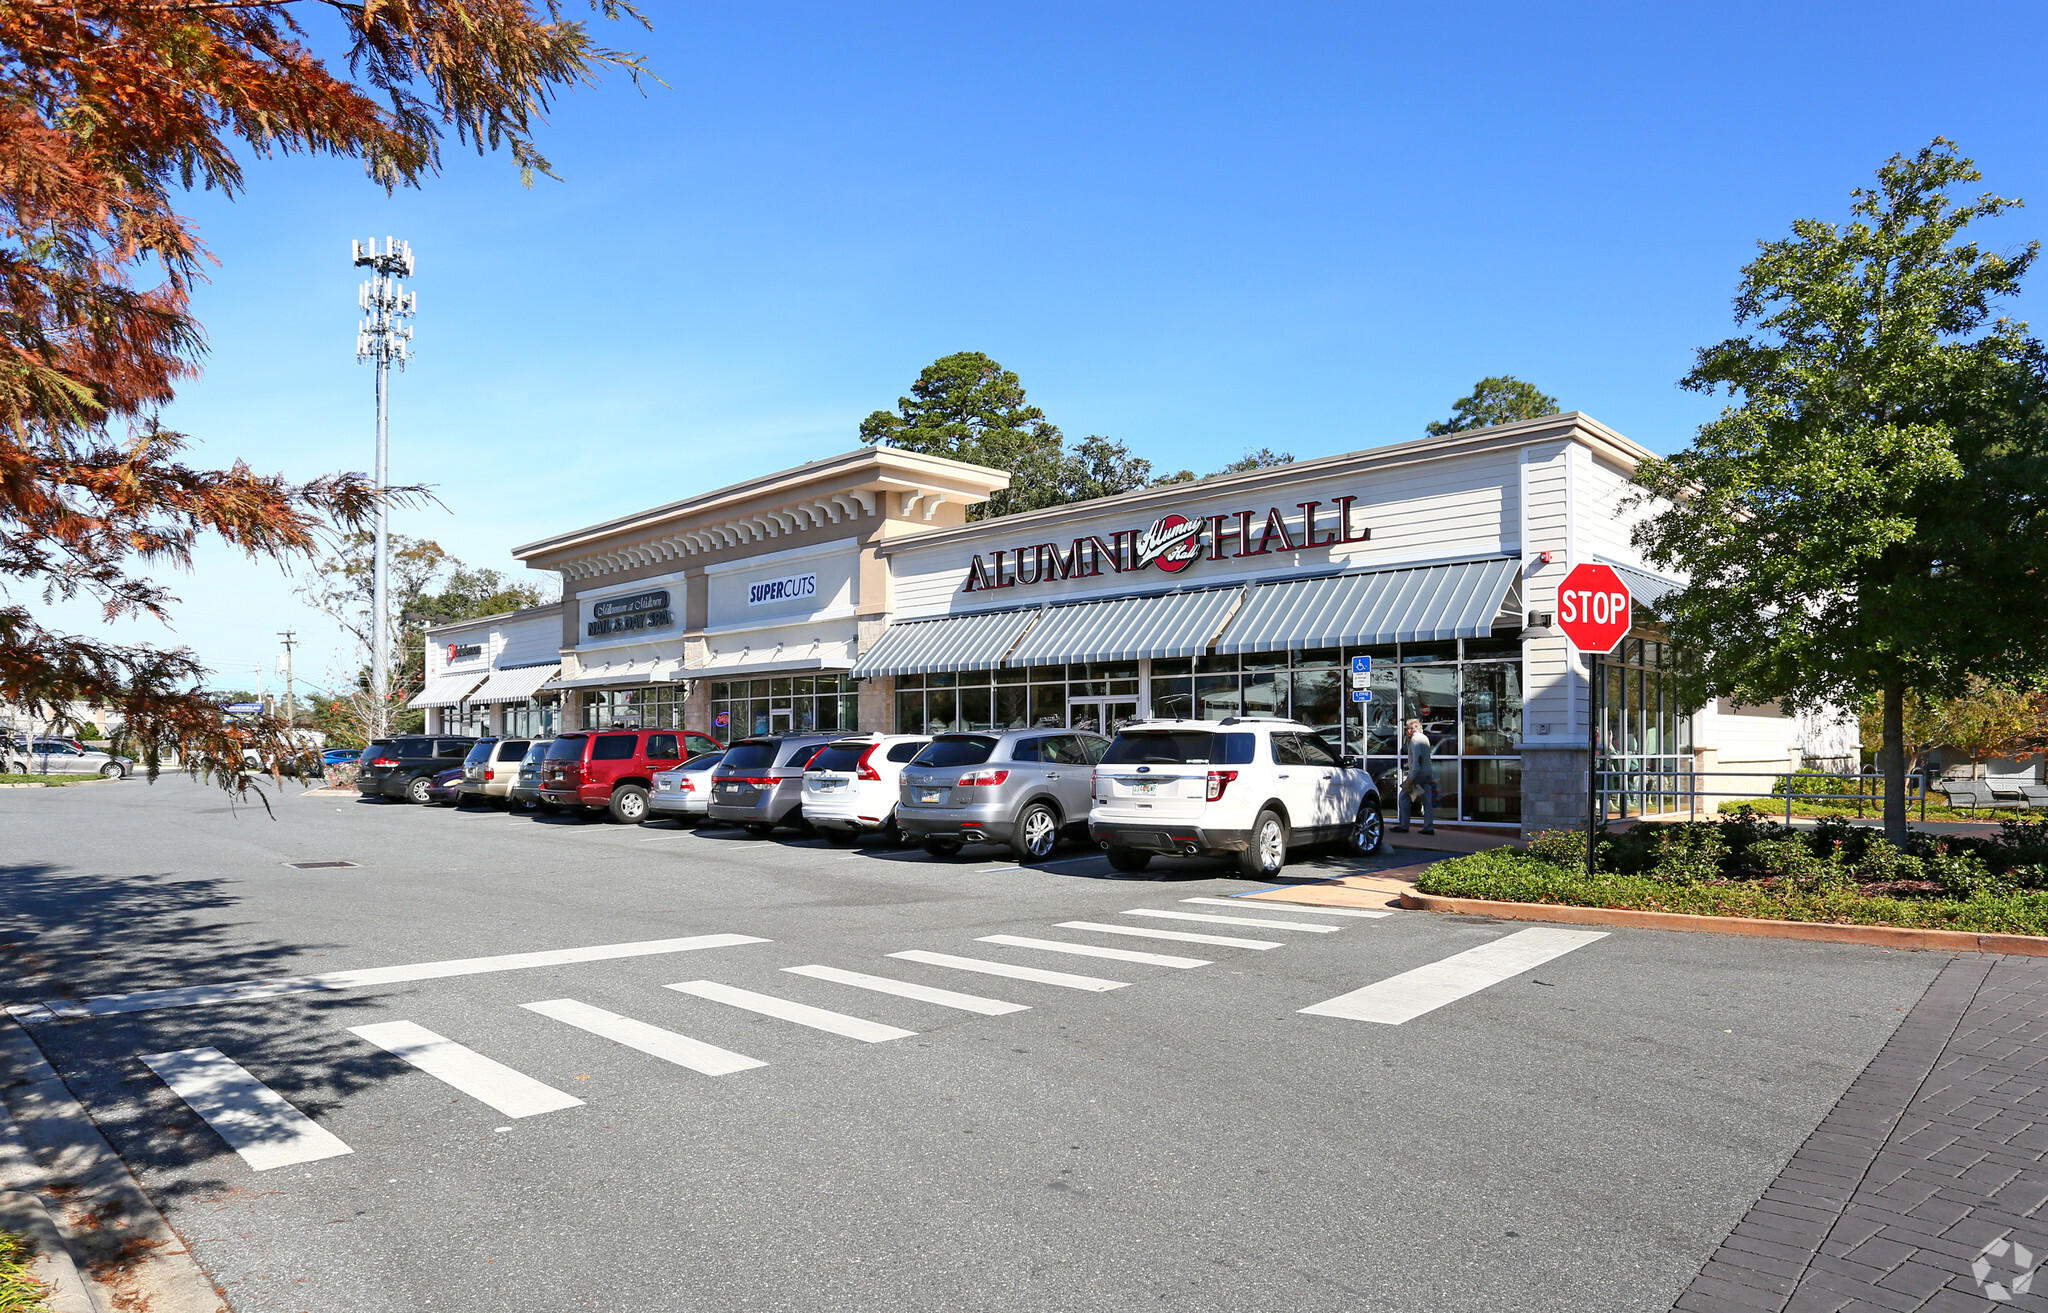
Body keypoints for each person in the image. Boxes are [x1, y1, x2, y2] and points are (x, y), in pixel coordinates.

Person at [1396, 718, 1436, 835]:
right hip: (1427, 774)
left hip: (1417, 775)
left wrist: (1411, 777)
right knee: (1427, 800)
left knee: (1404, 796)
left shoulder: (1415, 740)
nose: (1406, 731)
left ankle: (1404, 825)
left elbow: (1417, 760)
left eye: (1407, 729)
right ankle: (1428, 827)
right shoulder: (1425, 738)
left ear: (1413, 729)